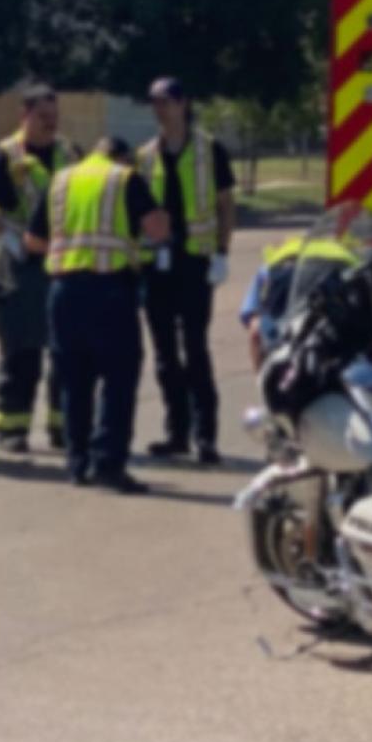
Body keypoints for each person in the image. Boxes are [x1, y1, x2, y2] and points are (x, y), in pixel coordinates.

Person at [24, 137, 169, 494]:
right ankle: (108, 464)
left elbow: (32, 240)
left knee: (75, 381)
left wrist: (73, 247)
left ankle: (77, 463)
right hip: (110, 292)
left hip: (64, 293)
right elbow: (156, 229)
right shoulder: (125, 178)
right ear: (122, 157)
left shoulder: (61, 180)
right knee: (119, 380)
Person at [0, 82, 78, 453]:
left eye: (54, 117)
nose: (50, 124)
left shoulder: (68, 152)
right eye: (43, 117)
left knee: (67, 352)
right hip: (21, 268)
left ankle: (64, 427)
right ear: (24, 115)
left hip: (64, 263)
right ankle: (11, 429)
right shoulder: (4, 157)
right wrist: (3, 236)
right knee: (20, 352)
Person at [137, 77, 237, 465]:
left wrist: (223, 252)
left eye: (165, 102)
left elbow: (226, 204)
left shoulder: (210, 150)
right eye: (154, 103)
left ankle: (205, 436)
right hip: (157, 266)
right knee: (164, 355)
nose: (159, 109)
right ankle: (175, 432)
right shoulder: (145, 156)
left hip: (195, 263)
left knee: (195, 349)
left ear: (183, 104)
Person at [238, 234, 362, 371]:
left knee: (259, 330)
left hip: (286, 280)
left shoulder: (271, 261)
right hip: (335, 272)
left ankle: (264, 383)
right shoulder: (340, 249)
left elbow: (252, 320)